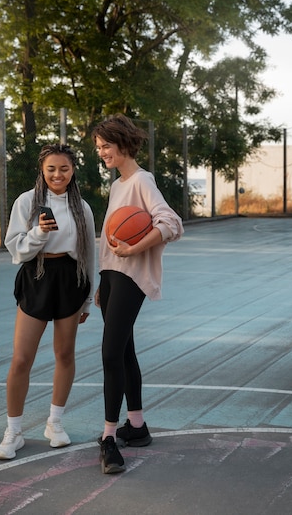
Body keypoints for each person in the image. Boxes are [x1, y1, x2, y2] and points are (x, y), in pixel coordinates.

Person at [92, 114, 184, 474]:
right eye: (98, 148)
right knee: (125, 353)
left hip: (130, 277)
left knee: (110, 354)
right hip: (112, 277)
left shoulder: (142, 179)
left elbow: (171, 223)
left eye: (105, 146)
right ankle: (137, 426)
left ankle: (109, 439)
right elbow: (112, 236)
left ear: (123, 143)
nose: (101, 153)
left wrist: (134, 250)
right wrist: (103, 278)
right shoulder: (118, 185)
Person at [0, 144, 95, 460]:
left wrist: (89, 299)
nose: (57, 174)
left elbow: (90, 253)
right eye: (51, 168)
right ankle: (13, 432)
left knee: (64, 353)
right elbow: (16, 250)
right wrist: (39, 233)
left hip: (70, 279)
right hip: (36, 276)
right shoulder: (27, 202)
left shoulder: (83, 208)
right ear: (42, 169)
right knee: (21, 358)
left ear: (73, 170)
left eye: (63, 168)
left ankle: (55, 423)